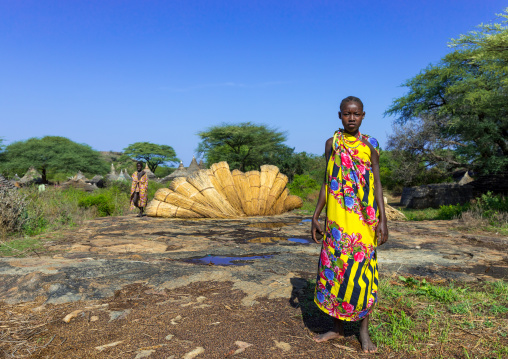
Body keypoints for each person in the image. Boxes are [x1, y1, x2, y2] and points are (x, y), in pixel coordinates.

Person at [311, 96, 388, 353]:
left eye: (356, 114)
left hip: (363, 220)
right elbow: (327, 181)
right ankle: (337, 328)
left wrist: (383, 219)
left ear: (363, 115)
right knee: (335, 270)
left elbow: (377, 183)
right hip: (336, 220)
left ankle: (363, 332)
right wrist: (315, 215)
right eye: (347, 114)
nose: (351, 118)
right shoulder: (331, 144)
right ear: (340, 115)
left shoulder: (371, 145)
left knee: (362, 274)